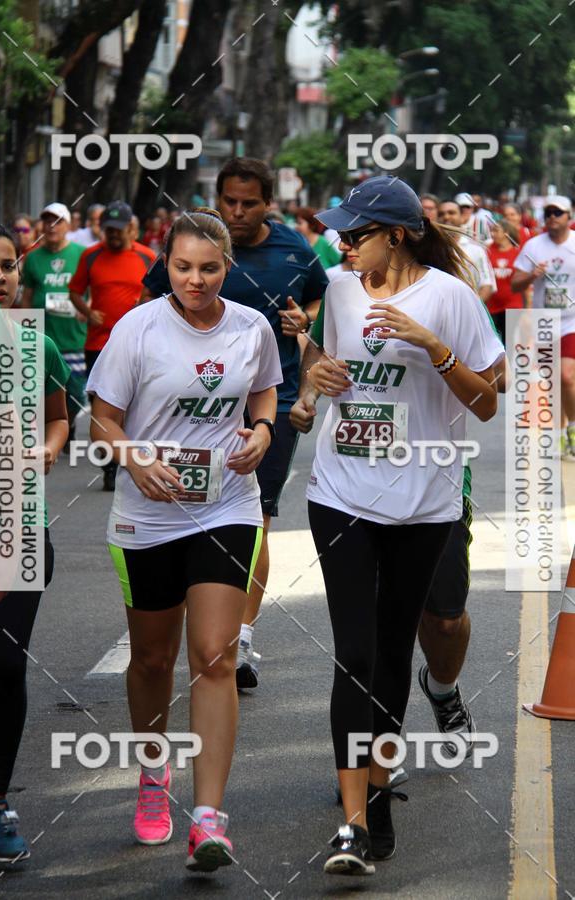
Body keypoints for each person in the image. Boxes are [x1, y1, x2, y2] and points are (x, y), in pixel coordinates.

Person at [290, 176, 501, 875]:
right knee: (353, 654)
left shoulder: (450, 297)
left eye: (355, 234)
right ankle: (351, 824)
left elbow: (487, 403)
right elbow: (324, 362)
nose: (342, 244)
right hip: (342, 492)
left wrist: (432, 345)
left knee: (388, 654)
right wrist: (317, 373)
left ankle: (378, 797)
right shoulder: (343, 289)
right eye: (341, 234)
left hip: (423, 501)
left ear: (399, 234)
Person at [87, 209, 281, 871]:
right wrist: (134, 458)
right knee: (149, 661)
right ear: (165, 265)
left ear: (227, 267)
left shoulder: (252, 328)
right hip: (148, 514)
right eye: (183, 267)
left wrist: (261, 434)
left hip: (225, 505)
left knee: (213, 655)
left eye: (208, 268)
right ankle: (152, 774)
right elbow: (103, 421)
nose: (195, 280)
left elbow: (263, 403)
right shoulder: (138, 328)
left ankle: (207, 819)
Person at [142, 158, 329, 690]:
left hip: (270, 400)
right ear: (218, 198)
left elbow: (317, 301)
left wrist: (306, 321)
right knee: (190, 505)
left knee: (256, 516)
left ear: (268, 201)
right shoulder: (193, 243)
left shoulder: (294, 249)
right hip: (189, 403)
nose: (238, 211)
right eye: (230, 201)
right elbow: (148, 307)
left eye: (249, 203)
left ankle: (238, 636)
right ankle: (184, 612)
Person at [0, 223, 69, 862]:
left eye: (8, 265)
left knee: (4, 667)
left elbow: (61, 417)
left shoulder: (30, 344)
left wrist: (47, 448)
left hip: (15, 520)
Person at [69, 201, 156, 490]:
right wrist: (88, 311)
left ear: (132, 227)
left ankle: (128, 459)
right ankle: (109, 466)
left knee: (133, 404)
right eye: (109, 230)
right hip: (98, 343)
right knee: (102, 404)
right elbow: (74, 290)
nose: (114, 235)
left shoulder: (146, 257)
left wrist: (144, 306)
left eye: (119, 230)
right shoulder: (91, 257)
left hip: (138, 344)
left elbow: (158, 294)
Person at [512, 195, 575, 458]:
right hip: (544, 321)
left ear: (568, 217)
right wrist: (532, 274)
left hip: (572, 320)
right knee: (551, 381)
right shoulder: (533, 246)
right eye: (548, 213)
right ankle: (561, 434)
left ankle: (572, 428)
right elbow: (515, 284)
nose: (552, 217)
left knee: (566, 375)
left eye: (557, 213)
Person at [21, 202, 86, 445]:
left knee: (76, 392)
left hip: (73, 338)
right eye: (47, 221)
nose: (51, 226)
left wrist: (86, 309)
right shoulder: (33, 257)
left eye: (57, 221)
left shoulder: (81, 254)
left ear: (68, 225)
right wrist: (24, 328)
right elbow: (27, 296)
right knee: (41, 392)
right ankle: (53, 434)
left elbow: (90, 290)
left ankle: (64, 425)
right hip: (43, 337)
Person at [438, 200, 496, 302]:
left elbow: (487, 285)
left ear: (462, 217)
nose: (446, 217)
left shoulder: (476, 249)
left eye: (451, 213)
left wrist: (472, 310)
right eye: (441, 214)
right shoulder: (429, 248)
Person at [487, 218, 527, 342]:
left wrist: (528, 309)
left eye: (496, 231)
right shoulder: (487, 251)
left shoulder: (518, 252)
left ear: (507, 233)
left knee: (510, 342)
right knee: (495, 343)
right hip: (492, 305)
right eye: (492, 231)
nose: (493, 234)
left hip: (513, 304)